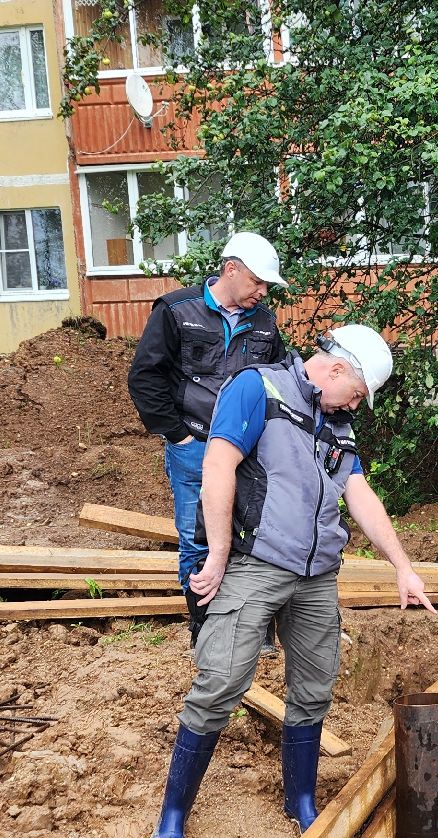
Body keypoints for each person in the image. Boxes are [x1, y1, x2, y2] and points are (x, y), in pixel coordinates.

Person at [145, 324, 435, 838]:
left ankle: (300, 800)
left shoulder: (338, 424)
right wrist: (216, 554)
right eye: (359, 393)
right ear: (338, 369)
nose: (357, 404)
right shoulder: (258, 389)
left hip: (316, 575)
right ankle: (173, 817)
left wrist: (403, 567)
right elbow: (218, 466)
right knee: (221, 683)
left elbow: (359, 494)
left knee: (314, 685)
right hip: (257, 563)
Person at [126, 232, 291, 613]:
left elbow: (278, 381)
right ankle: (205, 628)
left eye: (267, 284)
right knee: (198, 539)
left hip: (247, 454)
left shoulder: (265, 324)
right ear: (230, 270)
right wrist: (178, 435)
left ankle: (250, 626)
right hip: (195, 445)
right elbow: (145, 377)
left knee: (249, 534)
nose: (264, 291)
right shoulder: (176, 311)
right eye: (258, 282)